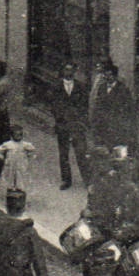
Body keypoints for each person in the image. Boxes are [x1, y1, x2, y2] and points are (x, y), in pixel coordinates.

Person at [52, 61, 88, 190]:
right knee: (64, 153)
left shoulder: (80, 86)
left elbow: (84, 105)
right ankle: (66, 180)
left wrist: (79, 118)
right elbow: (53, 104)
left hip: (76, 124)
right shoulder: (56, 86)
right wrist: (60, 117)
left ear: (74, 71)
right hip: (62, 124)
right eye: (66, 69)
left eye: (71, 70)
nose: (69, 72)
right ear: (63, 71)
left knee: (81, 152)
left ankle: (87, 179)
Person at [92, 61, 137, 153]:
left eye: (110, 75)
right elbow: (98, 105)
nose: (108, 77)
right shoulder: (102, 87)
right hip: (104, 125)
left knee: (118, 151)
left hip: (117, 125)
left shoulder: (123, 89)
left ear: (115, 76)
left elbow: (128, 108)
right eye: (106, 75)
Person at [0, 124, 37, 194]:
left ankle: (20, 188)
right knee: (10, 175)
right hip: (10, 163)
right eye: (16, 135)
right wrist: (2, 158)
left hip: (21, 163)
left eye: (20, 135)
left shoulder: (25, 144)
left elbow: (32, 150)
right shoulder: (8, 144)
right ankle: (10, 188)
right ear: (12, 135)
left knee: (21, 175)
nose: (19, 137)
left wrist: (29, 157)